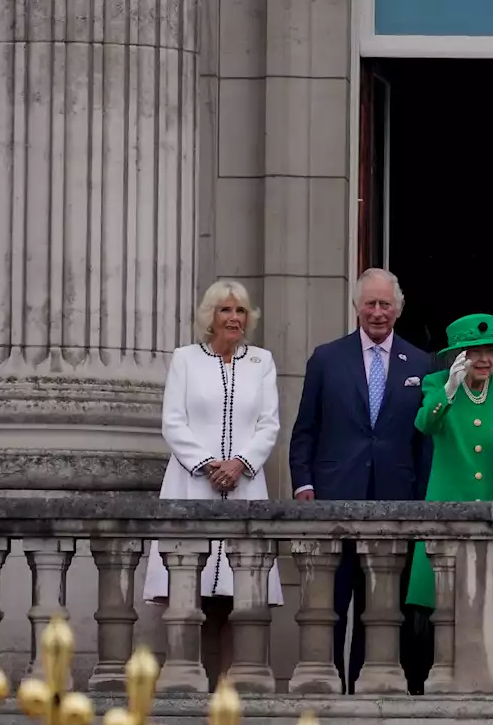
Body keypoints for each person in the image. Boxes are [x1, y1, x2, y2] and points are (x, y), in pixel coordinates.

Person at [288, 268, 433, 694]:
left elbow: (423, 442)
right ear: (356, 307)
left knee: (381, 608)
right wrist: (303, 484)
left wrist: (422, 501)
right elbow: (305, 430)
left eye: (384, 304)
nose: (377, 312)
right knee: (330, 606)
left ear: (398, 309)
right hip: (335, 500)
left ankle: (369, 690)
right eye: (369, 303)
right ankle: (330, 689)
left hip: (395, 504)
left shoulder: (421, 364)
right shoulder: (326, 358)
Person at [142, 279, 283, 686]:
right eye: (225, 310)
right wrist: (207, 464)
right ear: (211, 317)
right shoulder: (186, 360)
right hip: (192, 485)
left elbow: (268, 424)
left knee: (239, 589)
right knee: (192, 586)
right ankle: (189, 682)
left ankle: (232, 685)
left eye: (240, 311)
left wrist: (240, 463)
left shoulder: (262, 361)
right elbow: (173, 421)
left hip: (245, 485)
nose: (234, 318)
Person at [408, 314, 493, 635]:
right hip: (446, 514)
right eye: (474, 352)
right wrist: (450, 390)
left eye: (489, 352)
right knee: (440, 614)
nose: (484, 360)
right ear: (458, 356)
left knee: (491, 615)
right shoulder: (437, 384)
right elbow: (425, 424)